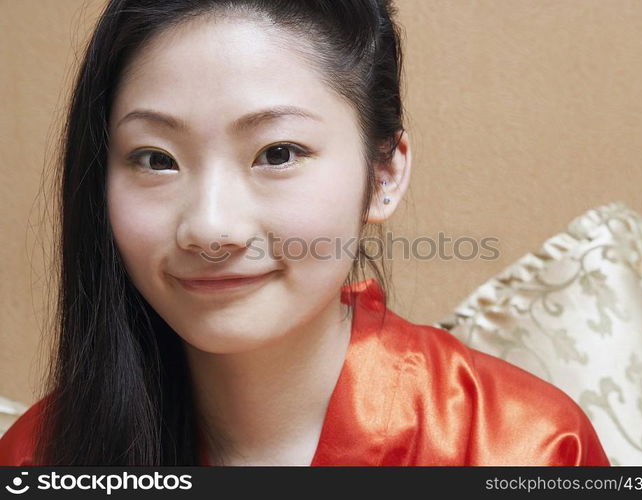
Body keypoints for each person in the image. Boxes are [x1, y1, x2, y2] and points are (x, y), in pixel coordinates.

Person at [0, 0, 609, 466]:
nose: (211, 227)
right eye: (157, 159)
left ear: (384, 173)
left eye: (278, 152)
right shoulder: (41, 457)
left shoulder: (524, 446)